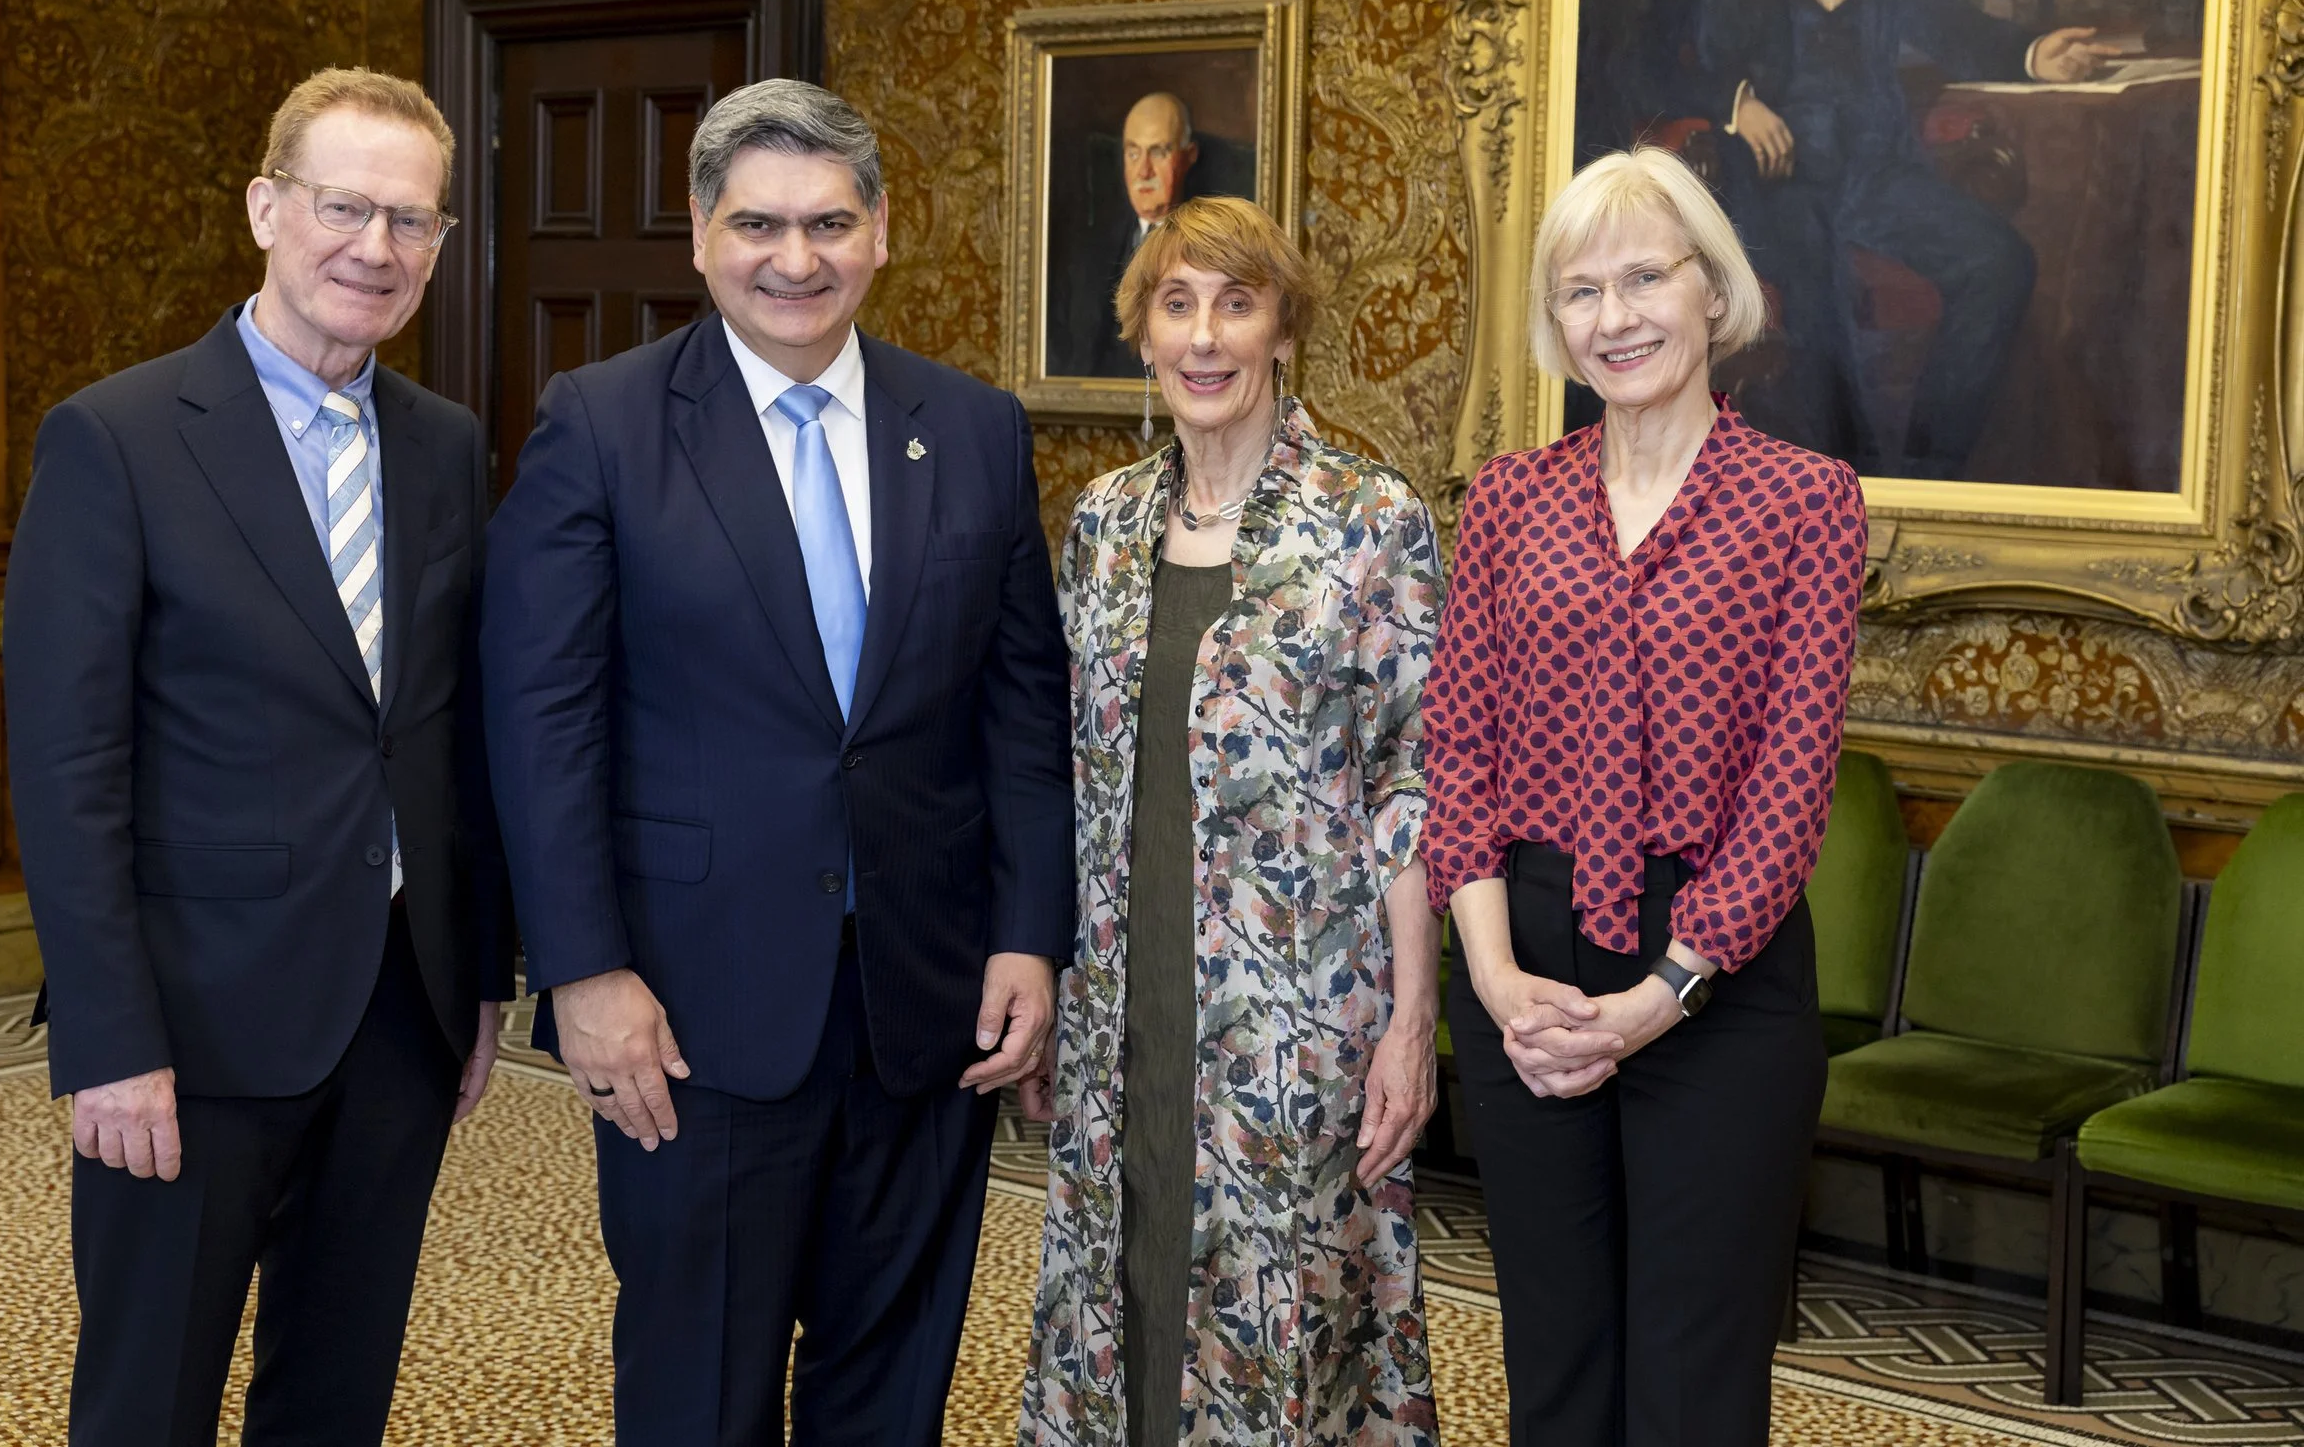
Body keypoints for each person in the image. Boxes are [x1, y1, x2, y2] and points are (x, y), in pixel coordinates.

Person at [480, 78, 1073, 1445]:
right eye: (757, 224)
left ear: (881, 232)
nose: (793, 260)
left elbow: (1021, 706)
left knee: (893, 1380)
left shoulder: (973, 429)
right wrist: (582, 967)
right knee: (701, 1392)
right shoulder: (603, 423)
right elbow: (542, 718)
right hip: (693, 1011)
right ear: (699, 233)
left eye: (827, 223)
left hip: (926, 1004)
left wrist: (1030, 934)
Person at [4, 67, 512, 1446]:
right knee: (148, 1401)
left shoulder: (447, 445)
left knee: (336, 1395)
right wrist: (107, 1038)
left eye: (414, 221)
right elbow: (63, 766)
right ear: (265, 208)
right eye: (345, 206)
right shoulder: (115, 438)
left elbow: (457, 729)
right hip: (189, 1028)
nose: (377, 247)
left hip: (400, 1015)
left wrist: (477, 980)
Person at [1422, 146, 1867, 1446]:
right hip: (1526, 966)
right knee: (1554, 1366)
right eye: (1580, 292)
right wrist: (1499, 983)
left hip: (1716, 987)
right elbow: (1459, 759)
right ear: (1554, 324)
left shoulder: (1805, 504)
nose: (1613, 317)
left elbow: (1789, 794)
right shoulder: (1509, 500)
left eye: (1643, 277)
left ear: (1711, 291)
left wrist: (1654, 998)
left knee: (1691, 1385)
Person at [1021, 196, 1444, 1447]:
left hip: (1300, 1029)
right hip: (1119, 1006)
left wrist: (1411, 1027)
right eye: (1176, 303)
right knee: (1124, 1281)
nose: (1204, 337)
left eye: (1236, 303)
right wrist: (1044, 975)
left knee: (1293, 1320)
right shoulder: (1100, 526)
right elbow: (1062, 768)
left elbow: (1413, 786)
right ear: (1143, 335)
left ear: (1282, 328)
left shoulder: (1369, 519)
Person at [1648, 0, 2116, 477]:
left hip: (1877, 171)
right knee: (1820, 323)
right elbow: (1645, 63)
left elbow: (1952, 24)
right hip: (1775, 180)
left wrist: (2035, 52)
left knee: (2001, 261)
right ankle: (1839, 507)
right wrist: (1735, 103)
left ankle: (1928, 478)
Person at [1054, 92, 1206, 381]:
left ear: (1189, 155)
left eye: (1159, 151)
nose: (1143, 170)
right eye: (1133, 153)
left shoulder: (1210, 247)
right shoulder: (1088, 252)